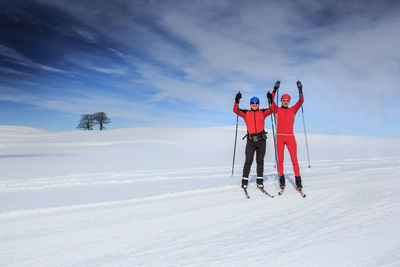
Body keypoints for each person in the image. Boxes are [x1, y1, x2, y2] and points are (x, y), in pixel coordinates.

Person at [268, 81, 304, 190]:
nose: (285, 102)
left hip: (290, 137)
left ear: (289, 102)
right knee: (281, 160)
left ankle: (298, 182)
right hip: (279, 137)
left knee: (294, 159)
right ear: (281, 100)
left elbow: (301, 101)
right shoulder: (276, 109)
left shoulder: (293, 109)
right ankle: (282, 181)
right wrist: (274, 89)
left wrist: (300, 90)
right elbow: (271, 101)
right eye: (283, 100)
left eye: (287, 101)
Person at [233, 92, 273, 189]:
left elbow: (272, 109)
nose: (254, 104)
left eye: (256, 103)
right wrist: (237, 101)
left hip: (261, 141)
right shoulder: (246, 113)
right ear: (250, 104)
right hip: (251, 141)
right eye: (252, 103)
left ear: (258, 104)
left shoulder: (262, 112)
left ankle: (260, 181)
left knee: (260, 161)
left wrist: (270, 101)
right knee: (248, 161)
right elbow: (235, 110)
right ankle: (244, 181)